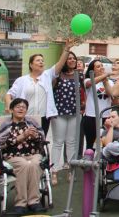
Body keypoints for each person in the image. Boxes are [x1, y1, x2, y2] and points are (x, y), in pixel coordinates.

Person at [5, 38, 76, 134]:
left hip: (43, 118)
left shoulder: (47, 75)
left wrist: (67, 49)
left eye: (42, 60)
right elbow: (8, 94)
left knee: (40, 142)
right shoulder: (22, 80)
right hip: (25, 117)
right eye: (38, 60)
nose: (41, 62)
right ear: (31, 65)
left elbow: (60, 64)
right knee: (25, 143)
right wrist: (10, 106)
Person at [0, 98, 46, 214]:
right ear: (12, 109)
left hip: (33, 153)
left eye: (23, 107)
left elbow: (42, 139)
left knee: (35, 164)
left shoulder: (32, 122)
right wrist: (22, 136)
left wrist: (35, 136)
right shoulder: (7, 124)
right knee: (24, 165)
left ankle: (34, 201)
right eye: (18, 106)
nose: (21, 108)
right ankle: (21, 203)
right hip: (13, 155)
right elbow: (1, 144)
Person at [50, 51, 81, 185]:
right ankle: (54, 171)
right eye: (69, 58)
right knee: (58, 142)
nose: (72, 60)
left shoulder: (79, 75)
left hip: (75, 113)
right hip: (59, 112)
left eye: (74, 58)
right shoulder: (57, 75)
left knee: (71, 142)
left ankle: (70, 170)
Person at [82, 59, 116, 150]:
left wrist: (105, 80)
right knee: (90, 143)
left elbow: (110, 95)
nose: (101, 68)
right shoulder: (87, 80)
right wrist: (105, 75)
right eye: (98, 66)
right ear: (92, 70)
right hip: (91, 116)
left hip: (106, 116)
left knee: (105, 143)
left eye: (102, 66)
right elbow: (90, 83)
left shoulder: (110, 82)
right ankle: (89, 161)